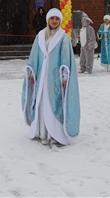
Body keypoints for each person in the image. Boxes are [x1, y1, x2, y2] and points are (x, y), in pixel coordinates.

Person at [21, 8, 80, 146]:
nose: (54, 21)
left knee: (54, 104)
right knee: (41, 103)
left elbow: (66, 59)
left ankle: (55, 133)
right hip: (41, 78)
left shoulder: (64, 38)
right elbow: (34, 56)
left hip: (55, 80)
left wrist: (65, 77)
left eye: (57, 19)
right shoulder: (40, 36)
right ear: (48, 20)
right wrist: (31, 73)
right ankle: (43, 132)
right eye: (52, 18)